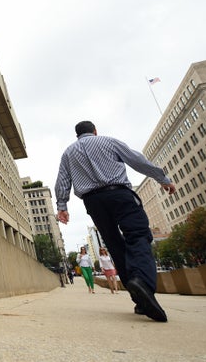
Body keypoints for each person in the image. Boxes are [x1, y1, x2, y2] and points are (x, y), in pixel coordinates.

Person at [55, 121, 175, 322]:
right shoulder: (108, 142)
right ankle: (143, 283)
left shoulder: (68, 153)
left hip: (93, 202)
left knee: (114, 244)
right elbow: (137, 160)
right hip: (119, 194)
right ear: (94, 131)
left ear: (77, 135)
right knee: (138, 236)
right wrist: (162, 178)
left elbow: (63, 180)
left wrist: (62, 207)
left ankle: (139, 298)